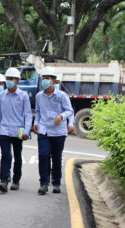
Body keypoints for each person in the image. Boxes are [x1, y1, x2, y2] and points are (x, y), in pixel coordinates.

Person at [33, 66, 73, 195]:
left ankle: (56, 182)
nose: (45, 81)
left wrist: (61, 116)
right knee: (43, 156)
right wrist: (35, 123)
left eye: (47, 78)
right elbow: (38, 112)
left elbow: (69, 111)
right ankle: (43, 183)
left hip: (58, 132)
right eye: (43, 78)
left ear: (54, 81)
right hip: (43, 130)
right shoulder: (39, 96)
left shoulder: (62, 95)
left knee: (56, 158)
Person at [0, 67, 32, 193]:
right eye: (8, 78)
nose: (9, 81)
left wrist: (26, 131)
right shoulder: (1, 96)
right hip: (4, 129)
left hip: (19, 130)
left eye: (12, 79)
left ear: (17, 80)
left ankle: (16, 180)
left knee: (17, 155)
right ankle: (4, 181)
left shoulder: (23, 96)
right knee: (5, 155)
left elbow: (27, 114)